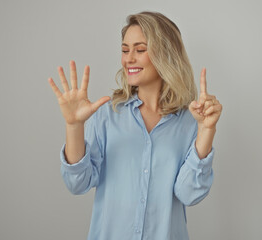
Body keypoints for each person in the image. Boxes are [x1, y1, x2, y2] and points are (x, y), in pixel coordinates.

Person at [48, 11, 223, 240]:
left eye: (140, 50)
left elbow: (189, 194)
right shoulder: (107, 115)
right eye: (124, 50)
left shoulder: (191, 121)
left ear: (165, 55)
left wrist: (207, 130)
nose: (128, 58)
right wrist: (73, 126)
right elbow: (77, 183)